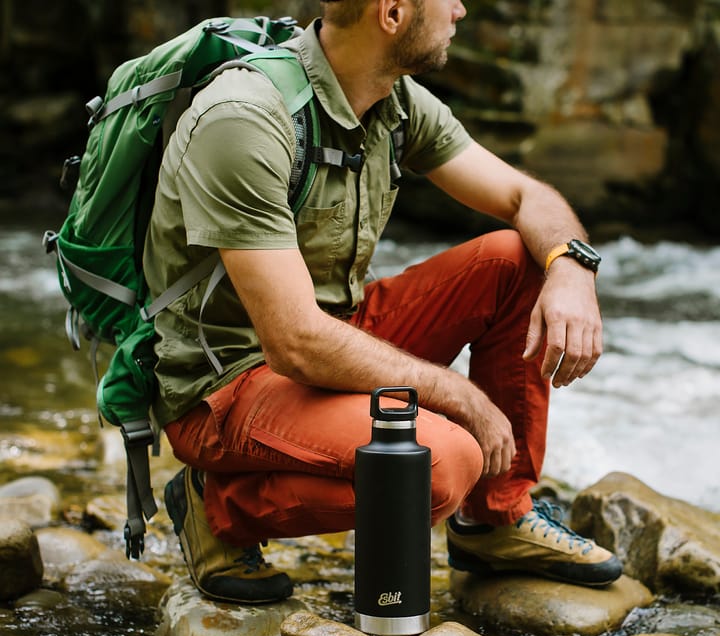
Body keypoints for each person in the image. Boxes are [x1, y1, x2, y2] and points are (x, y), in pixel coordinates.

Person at [145, 0, 622, 604]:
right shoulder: (245, 118)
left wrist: (573, 267)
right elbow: (293, 342)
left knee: (520, 258)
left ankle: (495, 520)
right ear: (392, 13)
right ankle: (215, 504)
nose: (461, 10)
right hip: (228, 384)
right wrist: (461, 397)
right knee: (434, 465)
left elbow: (523, 196)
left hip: (331, 336)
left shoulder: (392, 100)